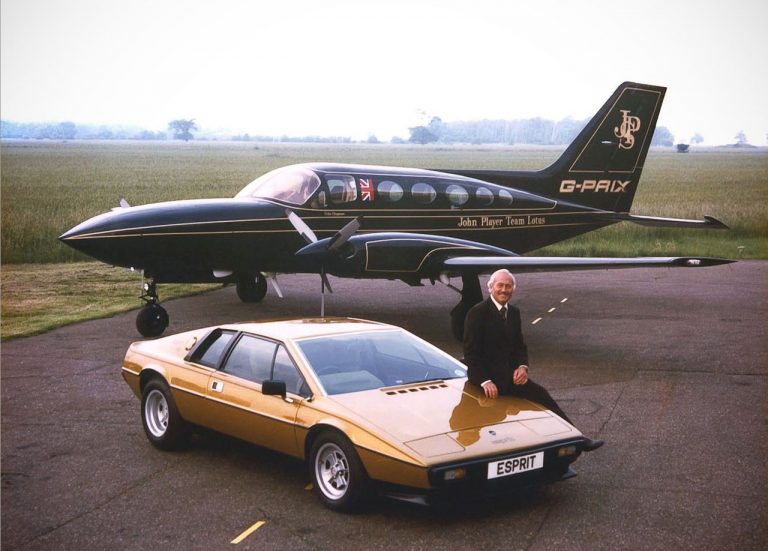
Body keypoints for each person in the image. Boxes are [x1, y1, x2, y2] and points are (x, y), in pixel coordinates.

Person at [463, 269, 604, 452]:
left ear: (513, 289)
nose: (504, 290)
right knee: (495, 424)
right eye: (500, 285)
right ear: (491, 287)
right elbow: (470, 353)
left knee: (543, 396)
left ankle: (578, 438)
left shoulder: (514, 313)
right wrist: (485, 380)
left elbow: (519, 346)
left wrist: (523, 367)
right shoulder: (477, 313)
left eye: (508, 286)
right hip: (486, 381)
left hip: (511, 379)